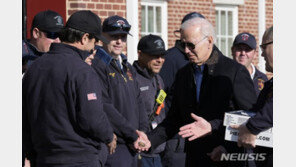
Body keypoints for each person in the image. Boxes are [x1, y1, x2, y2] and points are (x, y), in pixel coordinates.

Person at [146, 17, 257, 167]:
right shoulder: (183, 74)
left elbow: (249, 116)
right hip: (195, 158)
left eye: (191, 45)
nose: (186, 50)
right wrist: (149, 140)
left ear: (209, 41)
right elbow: (174, 118)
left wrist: (223, 143)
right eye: (182, 45)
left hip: (227, 158)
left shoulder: (233, 72)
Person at [22, 10, 117, 167]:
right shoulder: (82, 71)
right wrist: (109, 136)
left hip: (43, 158)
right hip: (78, 157)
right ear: (84, 38)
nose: (94, 48)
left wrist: (31, 154)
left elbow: (25, 118)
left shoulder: (34, 69)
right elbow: (92, 117)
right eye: (94, 42)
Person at [91, 15, 150, 167]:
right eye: (114, 36)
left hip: (134, 146)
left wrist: (142, 132)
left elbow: (139, 100)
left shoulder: (127, 66)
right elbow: (105, 106)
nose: (119, 41)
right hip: (115, 147)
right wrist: (132, 135)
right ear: (102, 36)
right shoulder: (97, 65)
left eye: (123, 37)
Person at [158, 12, 205, 167]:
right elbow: (160, 93)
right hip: (178, 137)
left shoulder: (205, 60)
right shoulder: (171, 59)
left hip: (202, 134)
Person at [232, 26, 273, 167]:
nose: (262, 55)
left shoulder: (264, 80)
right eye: (239, 48)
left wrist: (251, 127)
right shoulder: (271, 83)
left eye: (264, 48)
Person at [133, 34, 167, 167]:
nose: (160, 60)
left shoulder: (158, 79)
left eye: (162, 55)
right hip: (139, 153)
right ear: (140, 54)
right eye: (154, 55)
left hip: (158, 152)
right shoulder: (131, 79)